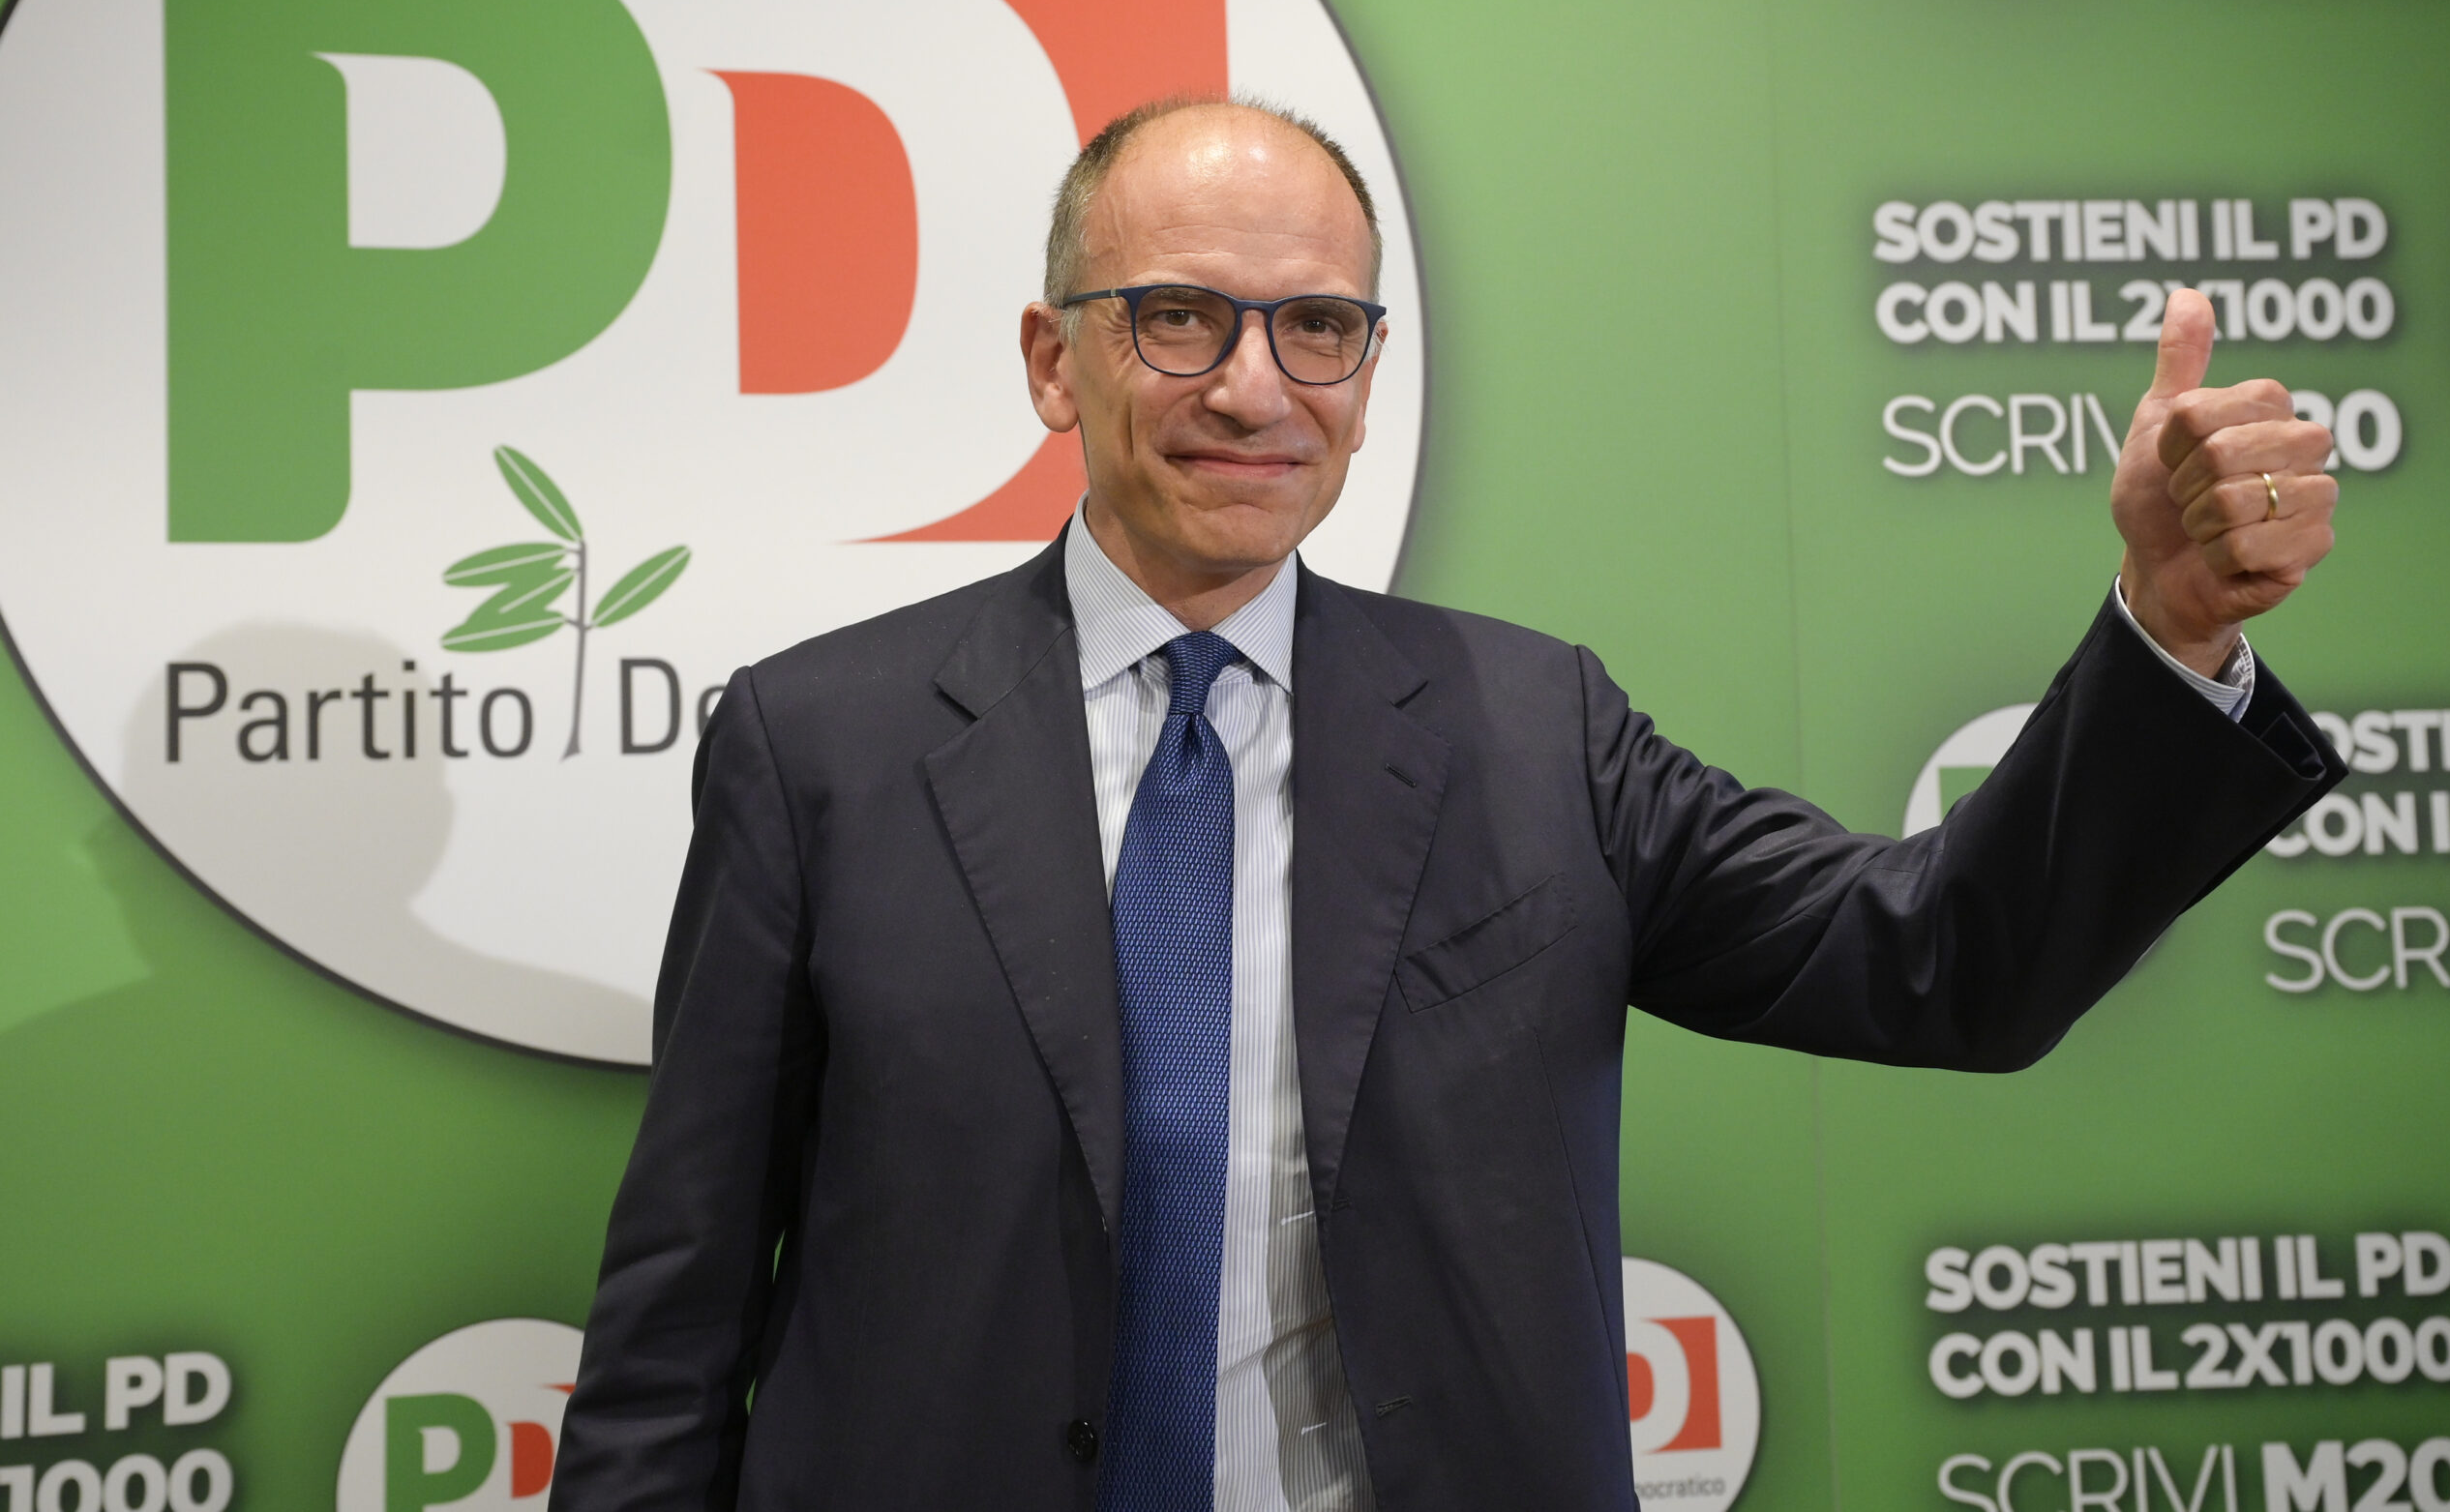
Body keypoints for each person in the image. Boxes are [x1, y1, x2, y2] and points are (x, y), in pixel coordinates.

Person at [550, 99, 2340, 1512]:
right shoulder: (820, 746)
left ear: (1367, 372)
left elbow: (1947, 963)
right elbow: (677, 1318)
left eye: (1317, 328)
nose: (1253, 385)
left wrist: (2169, 627)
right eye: (1179, 316)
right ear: (1050, 357)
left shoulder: (1535, 728)